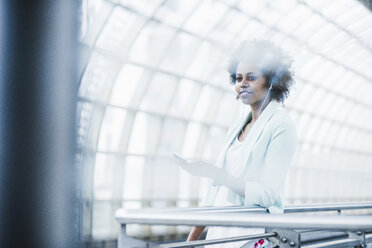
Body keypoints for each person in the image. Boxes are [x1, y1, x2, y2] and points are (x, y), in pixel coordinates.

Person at [175, 40, 297, 248]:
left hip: (249, 237)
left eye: (251, 77)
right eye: (238, 78)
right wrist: (193, 238)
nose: (242, 84)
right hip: (220, 236)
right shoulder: (238, 125)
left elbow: (269, 195)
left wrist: (219, 176)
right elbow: (215, 194)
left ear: (272, 81)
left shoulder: (281, 125)